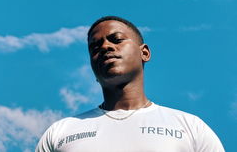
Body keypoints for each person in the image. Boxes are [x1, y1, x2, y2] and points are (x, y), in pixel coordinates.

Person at [36, 16, 225, 152]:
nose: (105, 47)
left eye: (116, 39)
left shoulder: (190, 127)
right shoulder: (60, 133)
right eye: (95, 47)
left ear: (144, 53)